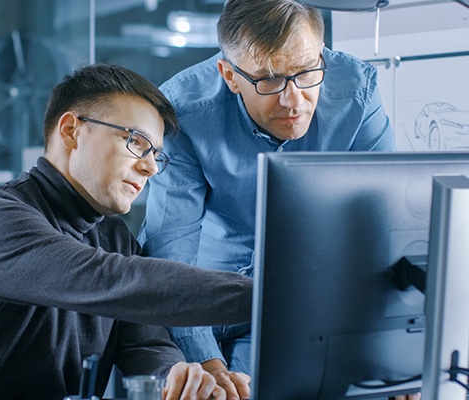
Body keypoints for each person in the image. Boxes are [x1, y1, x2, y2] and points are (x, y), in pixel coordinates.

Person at [0, 63, 253, 400]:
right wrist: (270, 297)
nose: (149, 167)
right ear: (71, 130)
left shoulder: (115, 238)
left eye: (156, 155)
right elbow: (110, 280)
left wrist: (174, 378)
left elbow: (146, 343)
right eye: (135, 141)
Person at [138, 1, 421, 399]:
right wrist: (206, 363)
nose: (293, 100)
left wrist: (395, 353)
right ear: (230, 76)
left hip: (301, 305)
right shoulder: (184, 111)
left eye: (306, 72)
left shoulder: (357, 92)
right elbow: (171, 255)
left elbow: (386, 229)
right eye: (269, 80)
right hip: (198, 304)